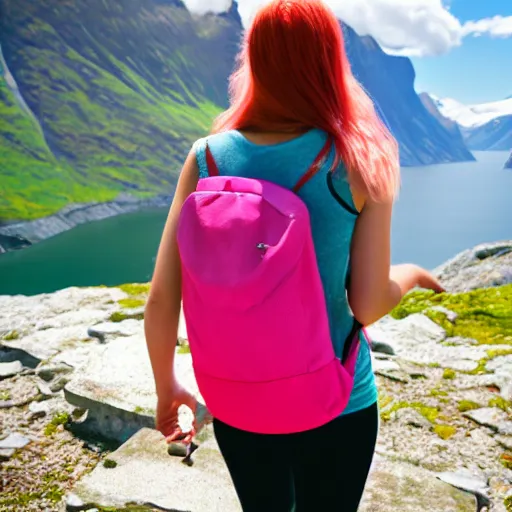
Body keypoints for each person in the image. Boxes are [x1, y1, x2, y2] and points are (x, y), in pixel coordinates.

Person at [144, 0, 445, 510]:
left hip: (237, 399)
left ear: (253, 62)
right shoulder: (358, 159)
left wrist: (167, 385)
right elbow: (367, 303)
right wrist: (411, 275)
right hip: (335, 399)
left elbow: (160, 300)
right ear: (331, 62)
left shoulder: (208, 156)